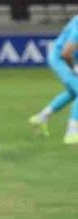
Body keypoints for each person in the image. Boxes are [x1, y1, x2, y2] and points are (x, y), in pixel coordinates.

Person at [28, 14, 78, 144]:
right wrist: (74, 68)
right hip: (60, 59)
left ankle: (41, 117)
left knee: (73, 92)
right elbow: (66, 53)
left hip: (69, 57)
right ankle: (72, 133)